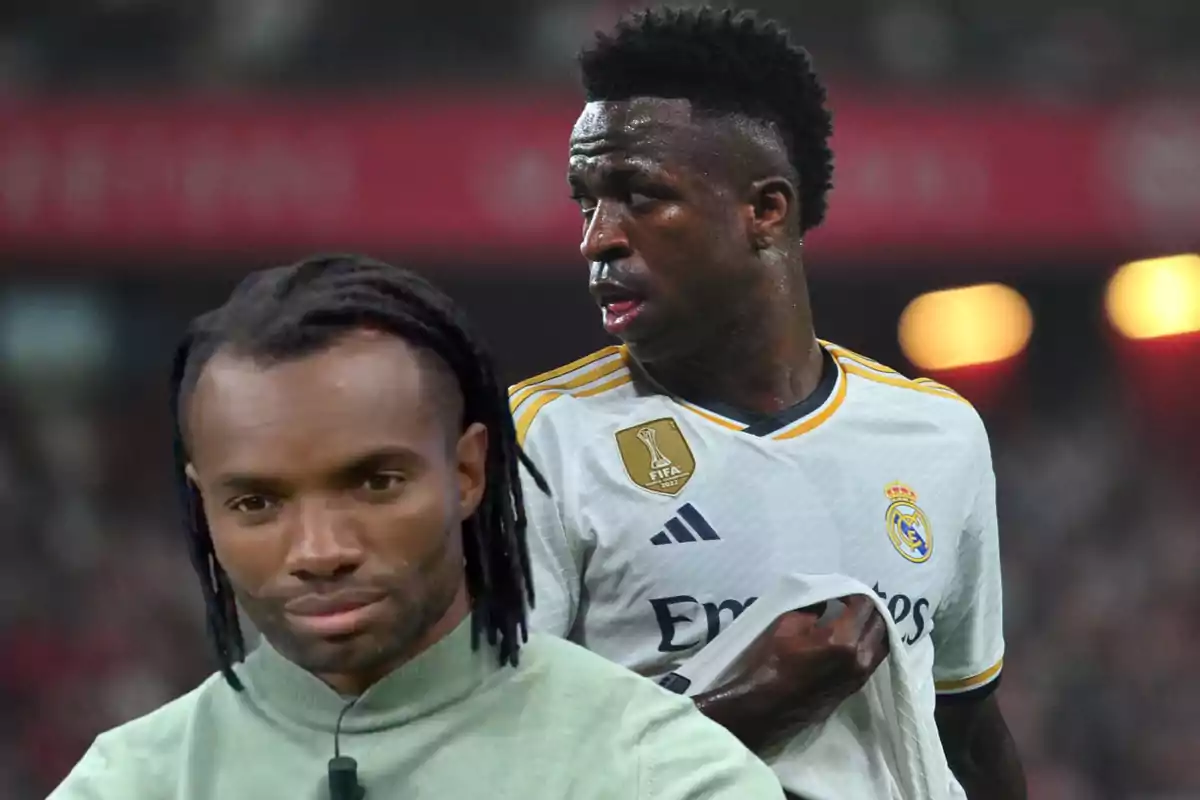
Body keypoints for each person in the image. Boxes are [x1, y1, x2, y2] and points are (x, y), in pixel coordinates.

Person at [512, 6, 1026, 799]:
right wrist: (743, 711)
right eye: (586, 201)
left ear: (766, 210)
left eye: (641, 197)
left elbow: (965, 730)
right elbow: (499, 766)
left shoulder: (938, 434)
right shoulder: (542, 442)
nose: (596, 238)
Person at [50, 255, 785, 800]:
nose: (319, 551)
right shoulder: (127, 784)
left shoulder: (659, 774)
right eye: (256, 504)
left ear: (467, 473)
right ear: (202, 507)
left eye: (375, 483)